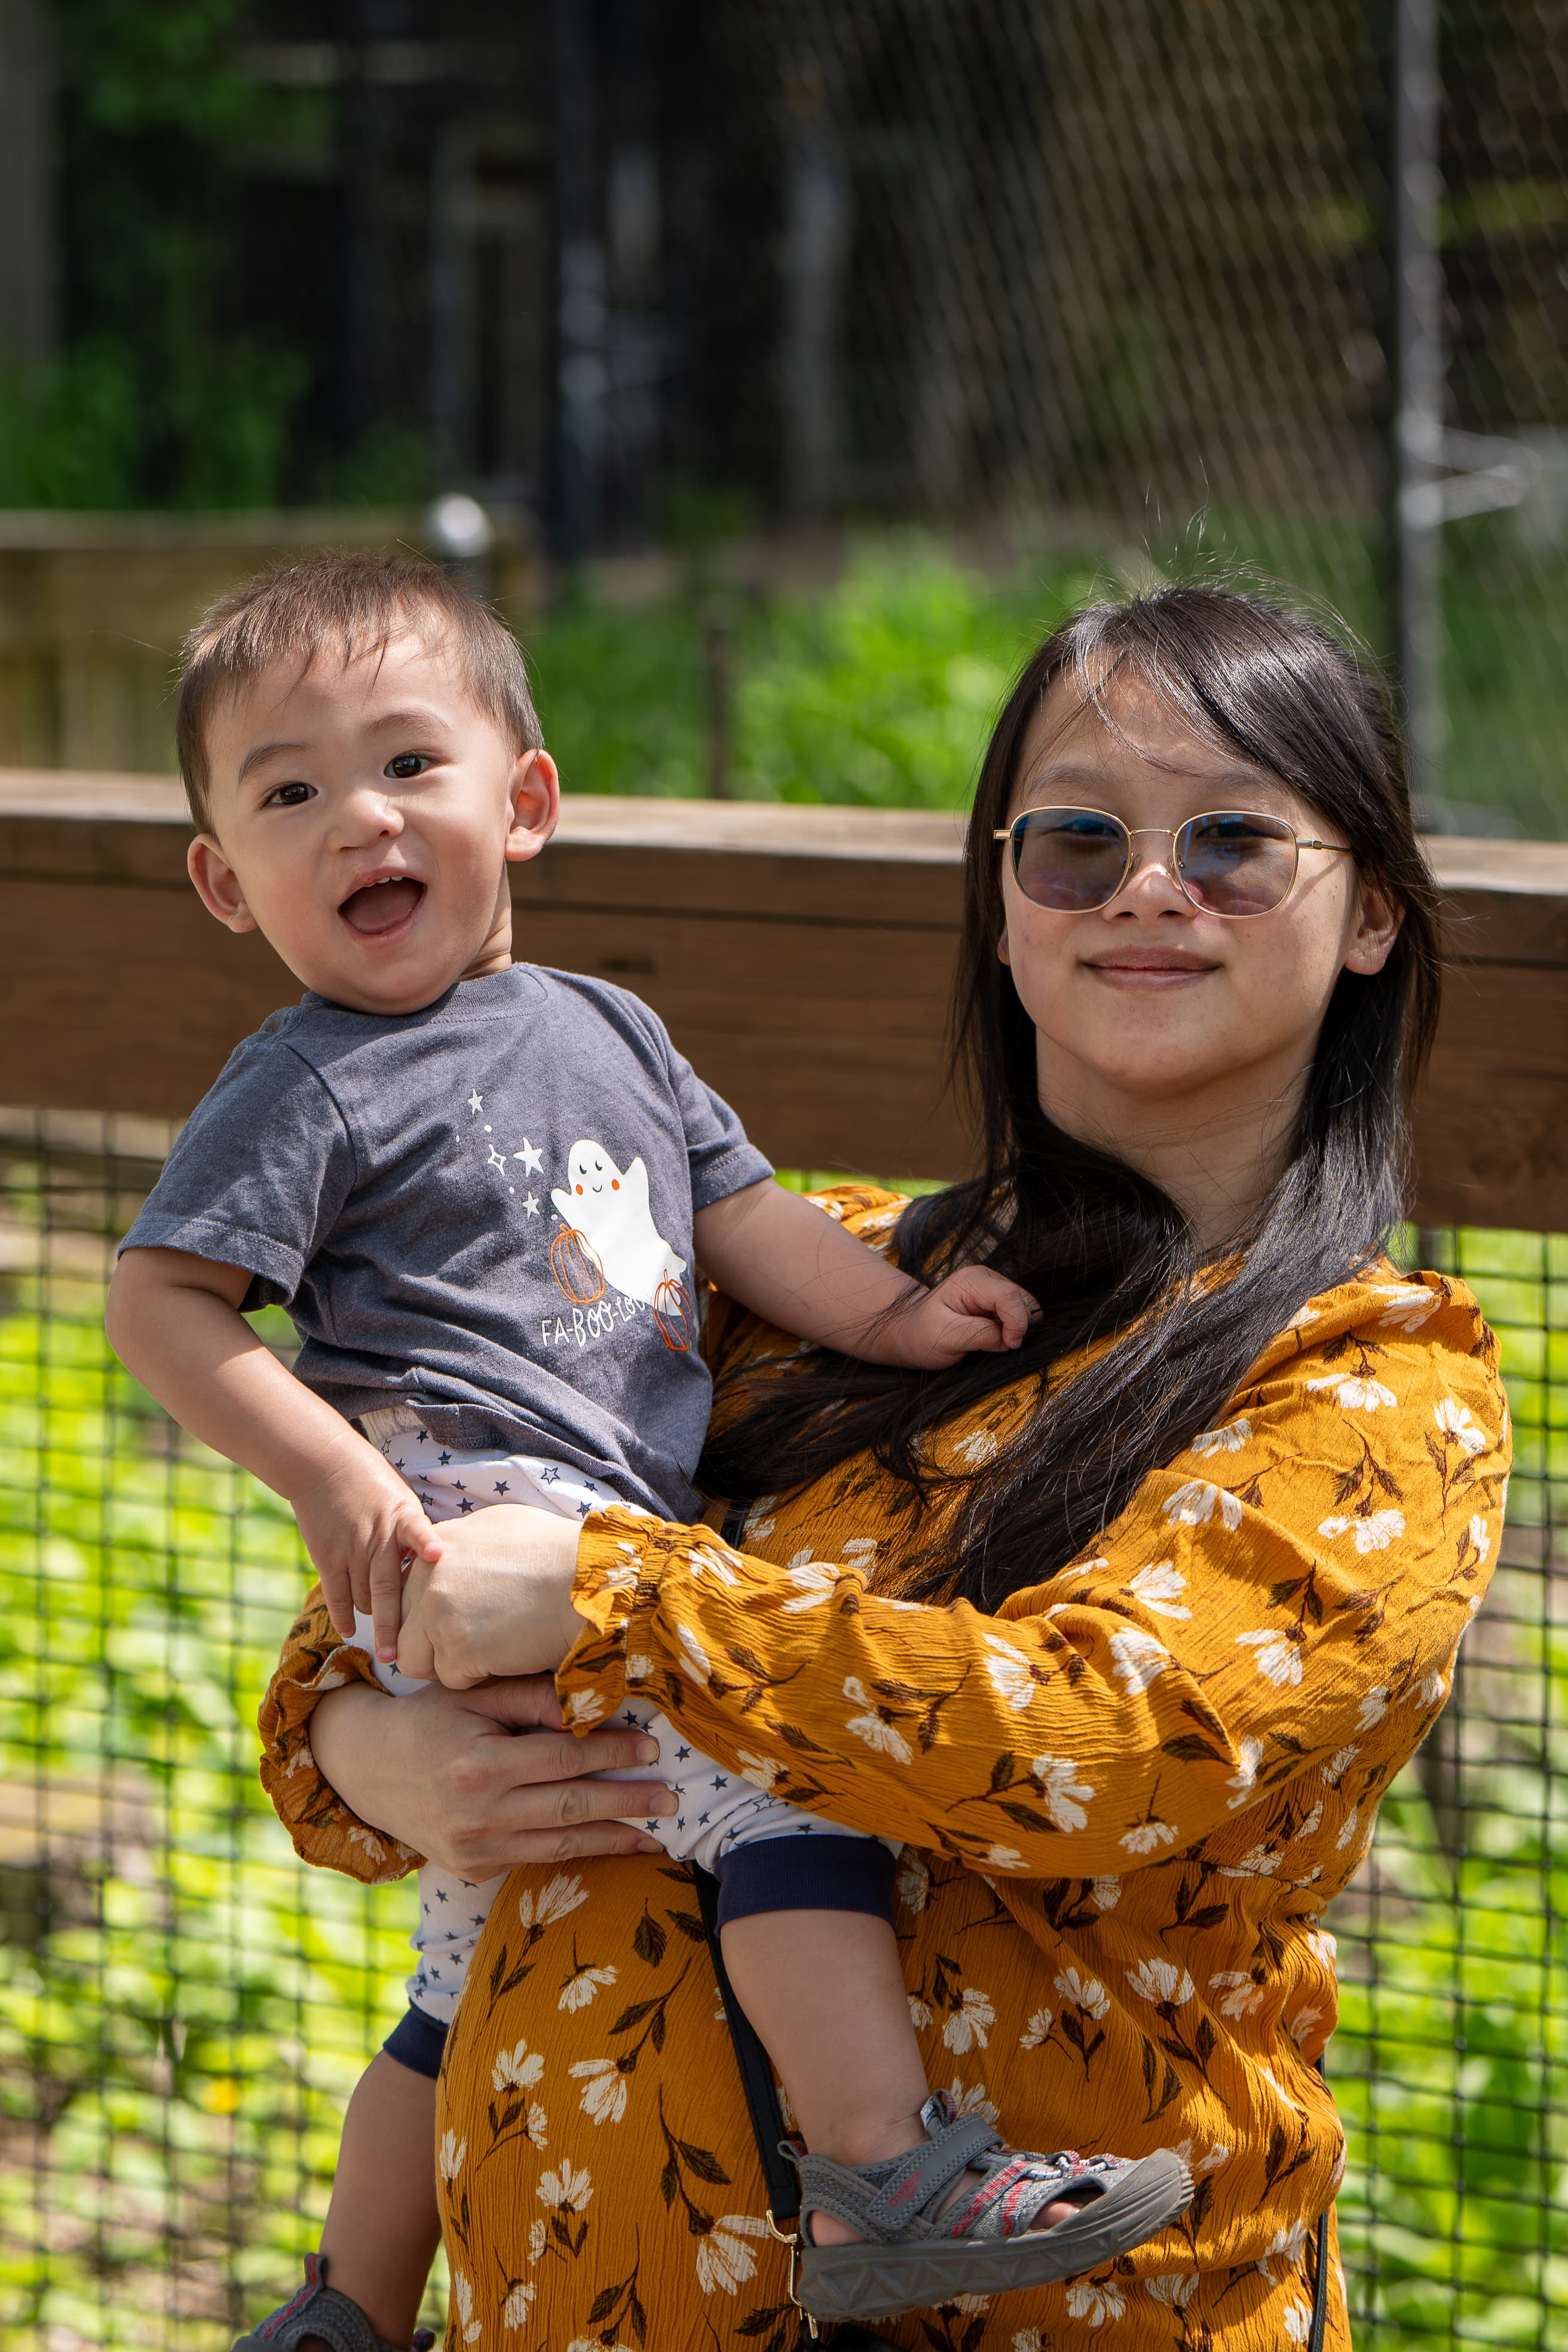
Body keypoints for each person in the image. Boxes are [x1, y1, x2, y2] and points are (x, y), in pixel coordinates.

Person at [257, 581, 1510, 2352]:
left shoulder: (1376, 1378)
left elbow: (1113, 1745)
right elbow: (413, 1584)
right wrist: (375, 1751)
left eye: (1234, 843)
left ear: (1372, 909)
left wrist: (624, 1603)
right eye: (1077, 842)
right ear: (1003, 909)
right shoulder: (825, 1282)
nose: (1150, 888)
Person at [104, 553, 1192, 2352]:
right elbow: (159, 1301)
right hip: (475, 1504)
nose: (359, 818)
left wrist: (897, 1317)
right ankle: (883, 2171)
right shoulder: (305, 1081)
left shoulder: (610, 1027)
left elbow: (742, 1215)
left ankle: (347, 2308)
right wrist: (330, 1474)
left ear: (524, 802)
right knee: (785, 1790)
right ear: (227, 881)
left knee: (457, 1972)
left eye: (408, 764)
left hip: (581, 1536)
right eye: (289, 795)